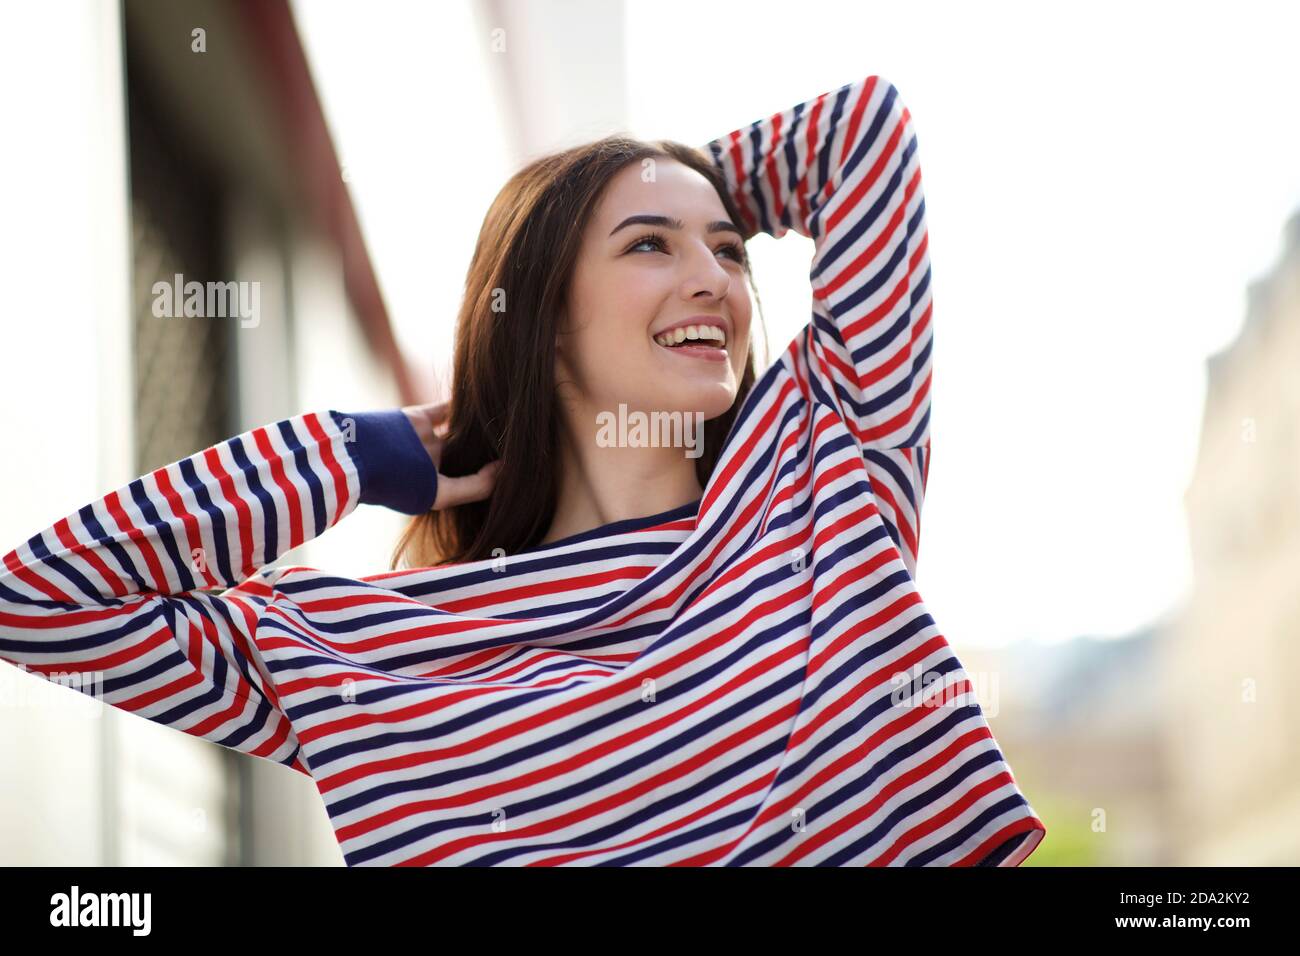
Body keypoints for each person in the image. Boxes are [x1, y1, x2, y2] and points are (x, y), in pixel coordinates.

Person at [0, 74, 1047, 866]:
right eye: (650, 246)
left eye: (728, 250)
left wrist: (657, 170)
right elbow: (43, 601)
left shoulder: (823, 472)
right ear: (540, 316)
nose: (713, 281)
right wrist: (361, 455)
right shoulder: (377, 651)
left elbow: (861, 134)